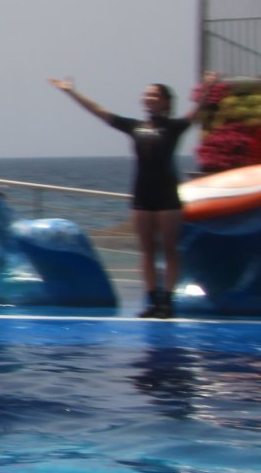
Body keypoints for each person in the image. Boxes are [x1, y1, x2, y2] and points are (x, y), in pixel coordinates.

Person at [49, 72, 219, 319]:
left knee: (169, 249)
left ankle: (167, 303)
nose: (147, 98)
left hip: (167, 196)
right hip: (142, 195)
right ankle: (152, 301)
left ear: (165, 101)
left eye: (152, 94)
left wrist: (209, 86)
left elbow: (197, 110)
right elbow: (98, 111)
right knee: (147, 250)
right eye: (145, 94)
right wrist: (70, 91)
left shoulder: (174, 127)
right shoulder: (134, 127)